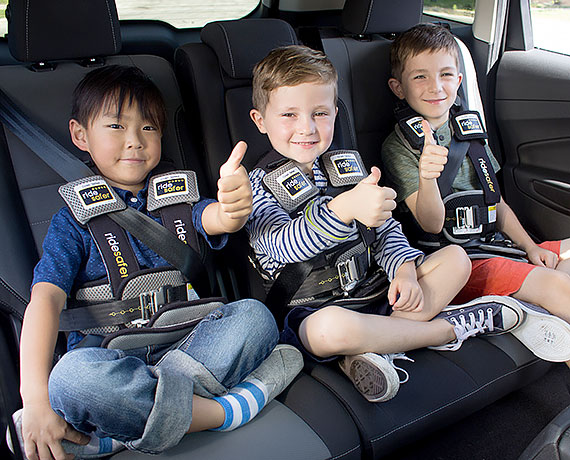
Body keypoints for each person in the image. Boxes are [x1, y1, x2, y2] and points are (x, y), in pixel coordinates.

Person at [12, 65, 302, 460]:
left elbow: (217, 218)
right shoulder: (73, 220)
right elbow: (45, 301)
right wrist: (35, 399)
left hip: (190, 339)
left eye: (148, 128)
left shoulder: (177, 197)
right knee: (71, 379)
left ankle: (121, 430)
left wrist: (234, 207)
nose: (134, 141)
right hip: (114, 351)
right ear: (80, 135)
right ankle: (225, 411)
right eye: (116, 127)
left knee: (254, 315)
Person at [245, 45, 526, 403]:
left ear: (335, 112)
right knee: (329, 331)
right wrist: (342, 210)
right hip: (313, 308)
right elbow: (281, 246)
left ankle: (375, 346)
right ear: (260, 120)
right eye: (289, 115)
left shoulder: (346, 166)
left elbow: (385, 232)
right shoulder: (255, 186)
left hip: (378, 294)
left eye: (320, 113)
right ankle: (445, 329)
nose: (307, 128)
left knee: (455, 259)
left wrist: (405, 270)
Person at [381, 23, 570, 363]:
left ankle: (528, 303)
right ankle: (527, 300)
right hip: (459, 261)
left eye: (446, 75)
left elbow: (494, 202)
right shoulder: (398, 147)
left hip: (498, 246)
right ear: (398, 87)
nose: (435, 87)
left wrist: (529, 246)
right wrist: (427, 176)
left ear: (459, 80)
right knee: (558, 287)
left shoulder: (468, 131)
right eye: (420, 77)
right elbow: (430, 224)